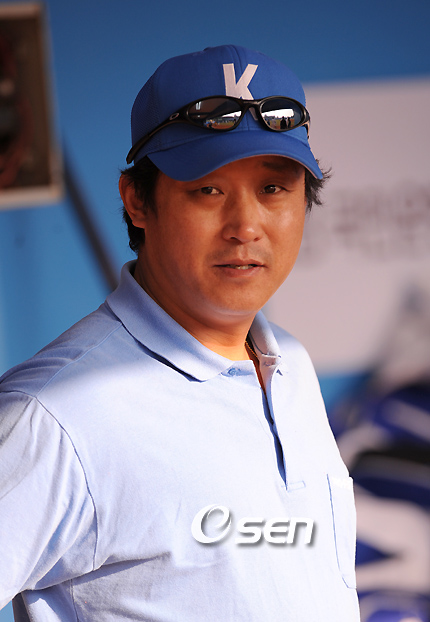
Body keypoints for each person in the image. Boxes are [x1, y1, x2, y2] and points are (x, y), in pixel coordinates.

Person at [0, 45, 360, 621]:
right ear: (136, 201)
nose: (246, 227)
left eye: (272, 189)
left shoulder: (289, 363)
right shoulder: (53, 415)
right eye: (208, 190)